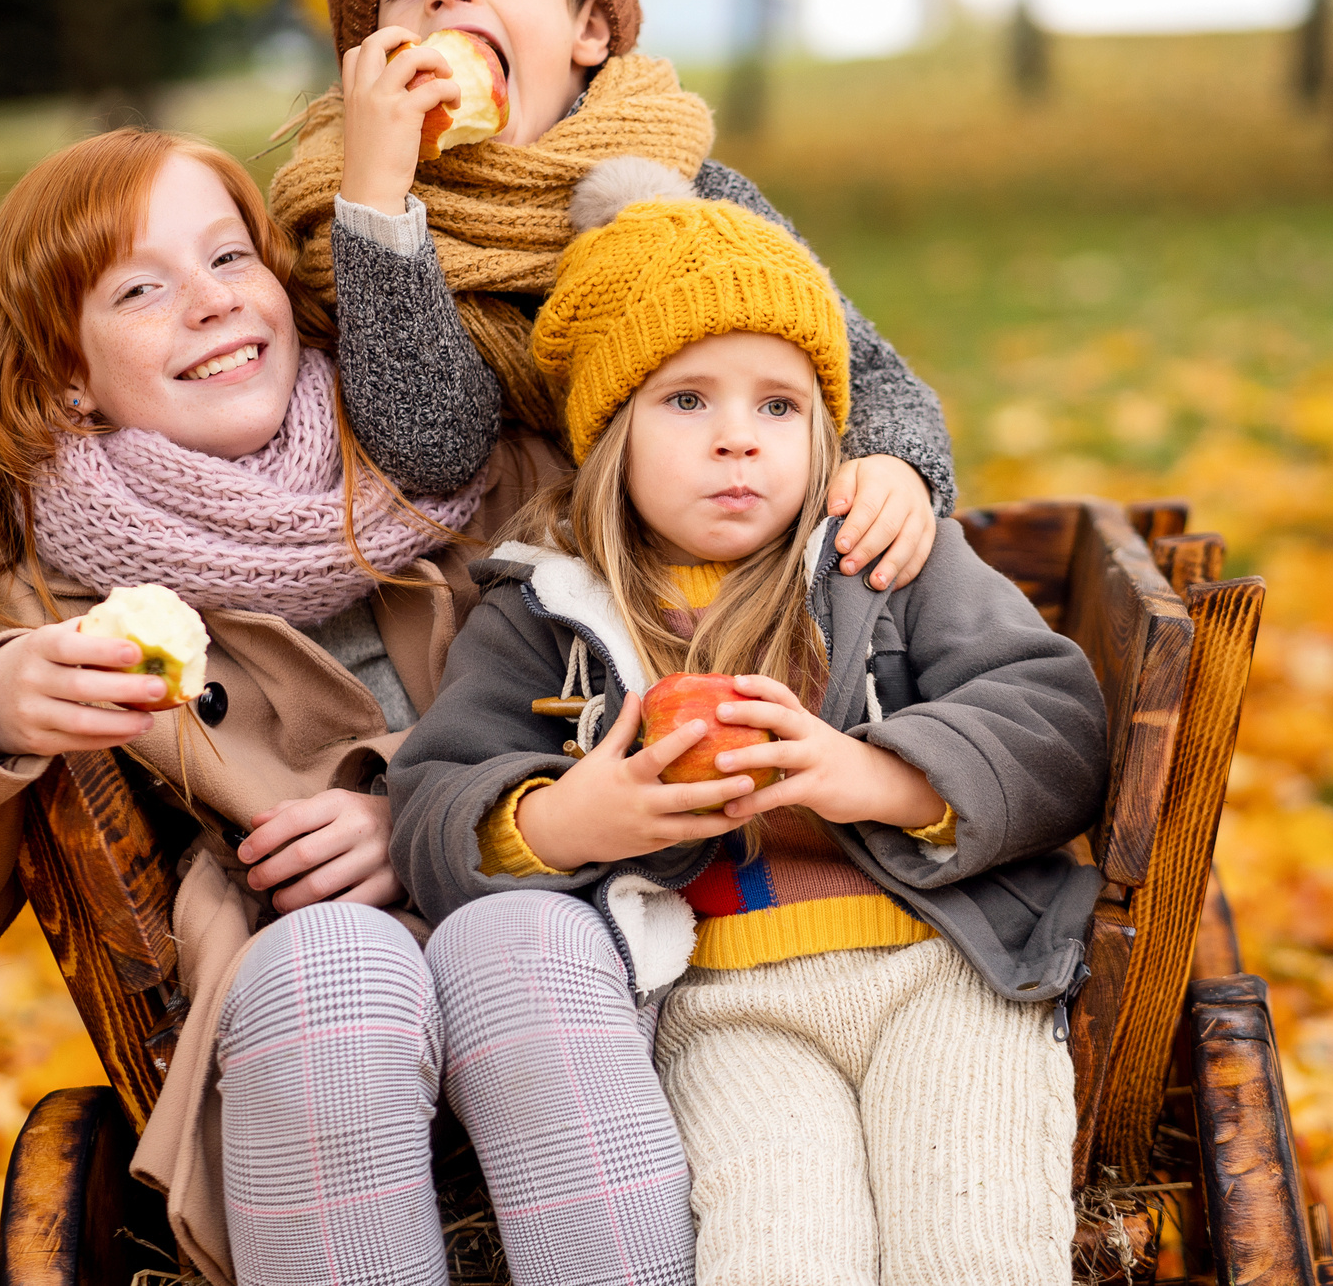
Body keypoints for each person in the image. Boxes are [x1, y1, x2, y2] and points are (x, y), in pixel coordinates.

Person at [0, 130, 697, 1286]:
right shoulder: (59, 597)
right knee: (332, 963)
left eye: (229, 259)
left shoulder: (447, 455)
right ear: (64, 378)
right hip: (307, 1008)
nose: (208, 304)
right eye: (140, 288)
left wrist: (425, 808)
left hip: (552, 903)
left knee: (521, 939)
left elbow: (637, 648)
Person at [387, 159, 1112, 1286]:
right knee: (778, 1256)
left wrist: (875, 776)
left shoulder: (884, 558)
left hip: (945, 972)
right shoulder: (546, 608)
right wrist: (572, 818)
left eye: (779, 405)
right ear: (609, 433)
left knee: (970, 1244)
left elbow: (1054, 718)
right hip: (724, 1009)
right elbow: (432, 804)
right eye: (687, 400)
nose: (739, 438)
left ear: (826, 423)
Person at [268, 0, 954, 596]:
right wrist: (377, 197)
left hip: (735, 589)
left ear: (587, 31)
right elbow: (432, 447)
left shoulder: (686, 196)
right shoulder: (353, 230)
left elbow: (875, 379)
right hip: (520, 627)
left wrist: (897, 463)